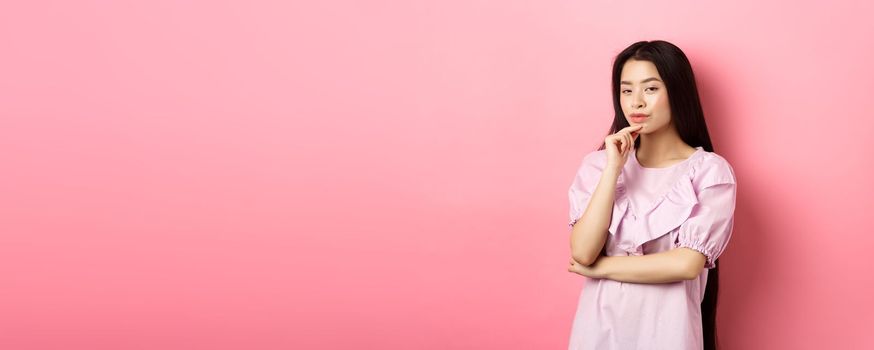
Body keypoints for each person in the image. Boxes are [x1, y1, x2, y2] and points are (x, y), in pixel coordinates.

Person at [566, 40, 737, 350]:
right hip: (597, 334)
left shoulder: (710, 172)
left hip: (670, 337)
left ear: (677, 92)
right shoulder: (598, 166)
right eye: (626, 90)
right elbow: (582, 251)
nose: (636, 103)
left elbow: (685, 264)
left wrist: (603, 268)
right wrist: (613, 169)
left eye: (650, 89)